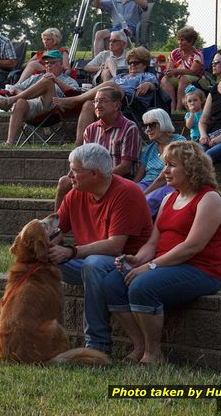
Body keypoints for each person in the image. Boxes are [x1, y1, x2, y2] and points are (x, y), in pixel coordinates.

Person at [103, 141, 221, 364]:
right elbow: (152, 243)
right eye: (165, 165)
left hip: (200, 270)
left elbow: (192, 246)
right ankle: (139, 345)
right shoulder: (169, 198)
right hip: (166, 266)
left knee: (142, 286)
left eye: (171, 165)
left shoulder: (209, 198)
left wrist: (150, 267)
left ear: (191, 168)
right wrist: (137, 259)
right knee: (112, 283)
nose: (165, 172)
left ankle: (153, 353)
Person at [48, 143, 152, 355]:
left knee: (93, 264)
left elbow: (115, 246)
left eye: (75, 170)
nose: (69, 176)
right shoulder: (76, 192)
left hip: (126, 264)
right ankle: (45, 335)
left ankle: (97, 345)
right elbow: (58, 231)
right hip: (89, 261)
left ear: (94, 173)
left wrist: (71, 252)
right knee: (44, 261)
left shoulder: (126, 193)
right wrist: (41, 248)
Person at [54, 87, 141, 210]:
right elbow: (82, 161)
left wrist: (98, 177)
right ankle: (58, 226)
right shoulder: (91, 129)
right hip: (91, 176)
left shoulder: (129, 128)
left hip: (119, 178)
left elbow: (125, 167)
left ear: (116, 105)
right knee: (64, 182)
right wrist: (74, 174)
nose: (97, 105)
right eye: (96, 101)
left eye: (103, 101)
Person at [55, 46, 158, 146]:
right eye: (130, 63)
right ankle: (79, 145)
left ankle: (75, 100)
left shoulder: (147, 76)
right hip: (109, 99)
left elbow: (154, 86)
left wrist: (147, 84)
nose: (132, 65)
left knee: (111, 84)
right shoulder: (120, 76)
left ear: (145, 64)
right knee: (88, 104)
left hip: (129, 102)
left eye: (136, 63)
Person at [0, 50, 79, 146]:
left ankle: (10, 101)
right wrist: (31, 95)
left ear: (61, 64)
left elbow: (74, 95)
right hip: (34, 106)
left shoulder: (69, 80)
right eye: (46, 63)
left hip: (54, 108)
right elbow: (15, 88)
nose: (48, 65)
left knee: (48, 80)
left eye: (52, 62)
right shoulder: (36, 77)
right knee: (21, 102)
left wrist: (56, 80)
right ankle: (9, 143)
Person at [133, 108, 186, 217]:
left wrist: (144, 194)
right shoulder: (150, 148)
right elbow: (139, 175)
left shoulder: (178, 142)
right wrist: (130, 187)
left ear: (162, 123)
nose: (147, 130)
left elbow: (163, 177)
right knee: (127, 196)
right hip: (147, 183)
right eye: (145, 126)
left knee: (147, 201)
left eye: (151, 125)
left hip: (169, 183)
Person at [160, 26, 205, 112]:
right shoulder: (175, 52)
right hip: (178, 78)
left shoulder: (197, 55)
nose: (179, 42)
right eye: (179, 39)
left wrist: (176, 71)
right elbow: (170, 67)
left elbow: (193, 72)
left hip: (197, 79)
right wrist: (169, 71)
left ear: (191, 41)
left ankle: (178, 109)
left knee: (184, 78)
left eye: (182, 40)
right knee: (164, 79)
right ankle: (172, 109)